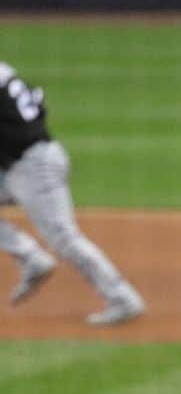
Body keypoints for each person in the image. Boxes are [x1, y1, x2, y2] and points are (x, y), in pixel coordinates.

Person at [0, 61, 145, 325]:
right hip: (28, 160)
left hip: (33, 166)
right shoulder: (6, 74)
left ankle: (122, 298)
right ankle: (31, 258)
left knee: (64, 238)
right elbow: (38, 104)